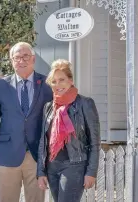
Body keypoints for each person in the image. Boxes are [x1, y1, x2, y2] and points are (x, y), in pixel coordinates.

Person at [0, 42, 52, 202]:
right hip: (6, 155)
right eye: (17, 58)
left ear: (33, 59)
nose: (21, 61)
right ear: (11, 61)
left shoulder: (47, 84)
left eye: (25, 56)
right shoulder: (1, 85)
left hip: (36, 156)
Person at [37, 59, 101, 202]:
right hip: (52, 166)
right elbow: (43, 140)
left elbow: (95, 141)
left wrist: (91, 172)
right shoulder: (49, 107)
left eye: (62, 80)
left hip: (74, 166)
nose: (57, 85)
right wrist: (40, 171)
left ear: (70, 80)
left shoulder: (85, 103)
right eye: (54, 81)